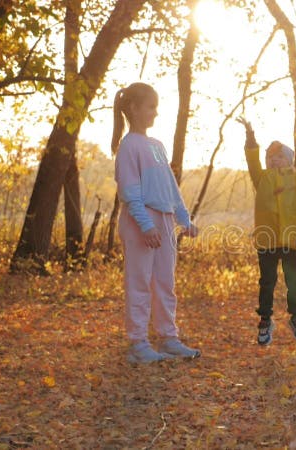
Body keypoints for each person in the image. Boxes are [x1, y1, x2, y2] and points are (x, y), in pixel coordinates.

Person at [113, 82, 201, 363]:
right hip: (142, 222)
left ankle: (168, 338)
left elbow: (171, 187)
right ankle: (138, 343)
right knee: (139, 282)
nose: (155, 113)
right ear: (134, 109)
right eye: (151, 107)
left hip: (163, 221)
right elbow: (130, 191)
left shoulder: (157, 145)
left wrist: (183, 218)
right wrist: (145, 225)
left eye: (156, 107)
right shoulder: (128, 146)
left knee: (165, 282)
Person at [237, 117, 296, 345]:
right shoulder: (260, 177)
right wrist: (250, 136)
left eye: (279, 156)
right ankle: (265, 320)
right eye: (270, 157)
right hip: (267, 240)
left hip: (291, 239)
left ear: (290, 160)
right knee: (267, 281)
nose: (273, 160)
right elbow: (252, 159)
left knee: (294, 281)